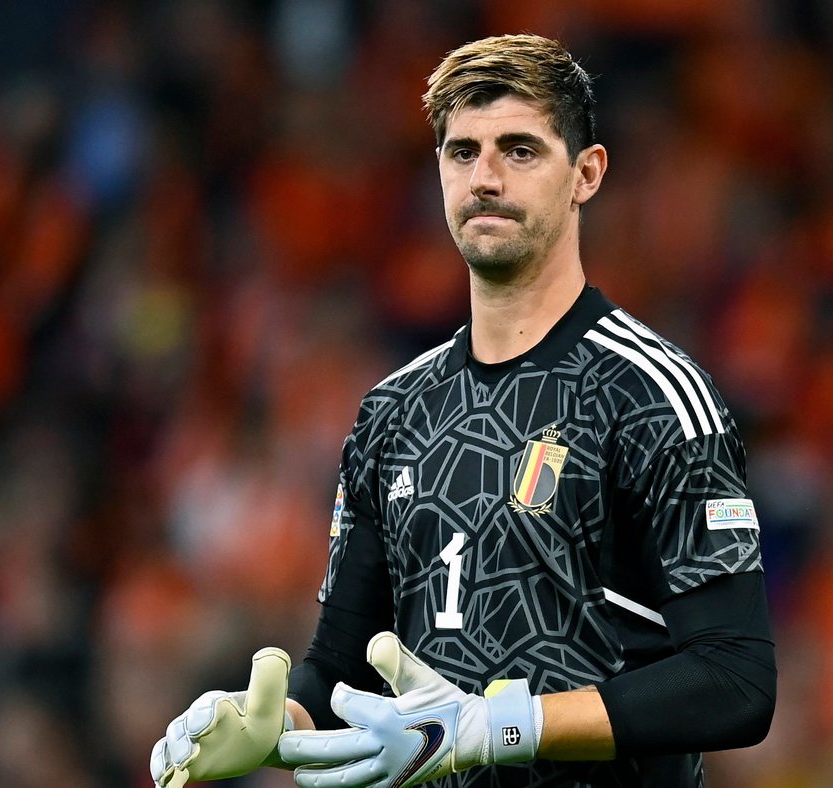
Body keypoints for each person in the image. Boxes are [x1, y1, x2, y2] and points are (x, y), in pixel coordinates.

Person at [150, 33, 776, 788]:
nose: (484, 178)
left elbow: (736, 681)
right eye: (462, 152)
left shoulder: (653, 397)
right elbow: (344, 671)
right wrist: (275, 728)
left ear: (585, 174)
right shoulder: (392, 413)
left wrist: (499, 726)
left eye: (519, 151)